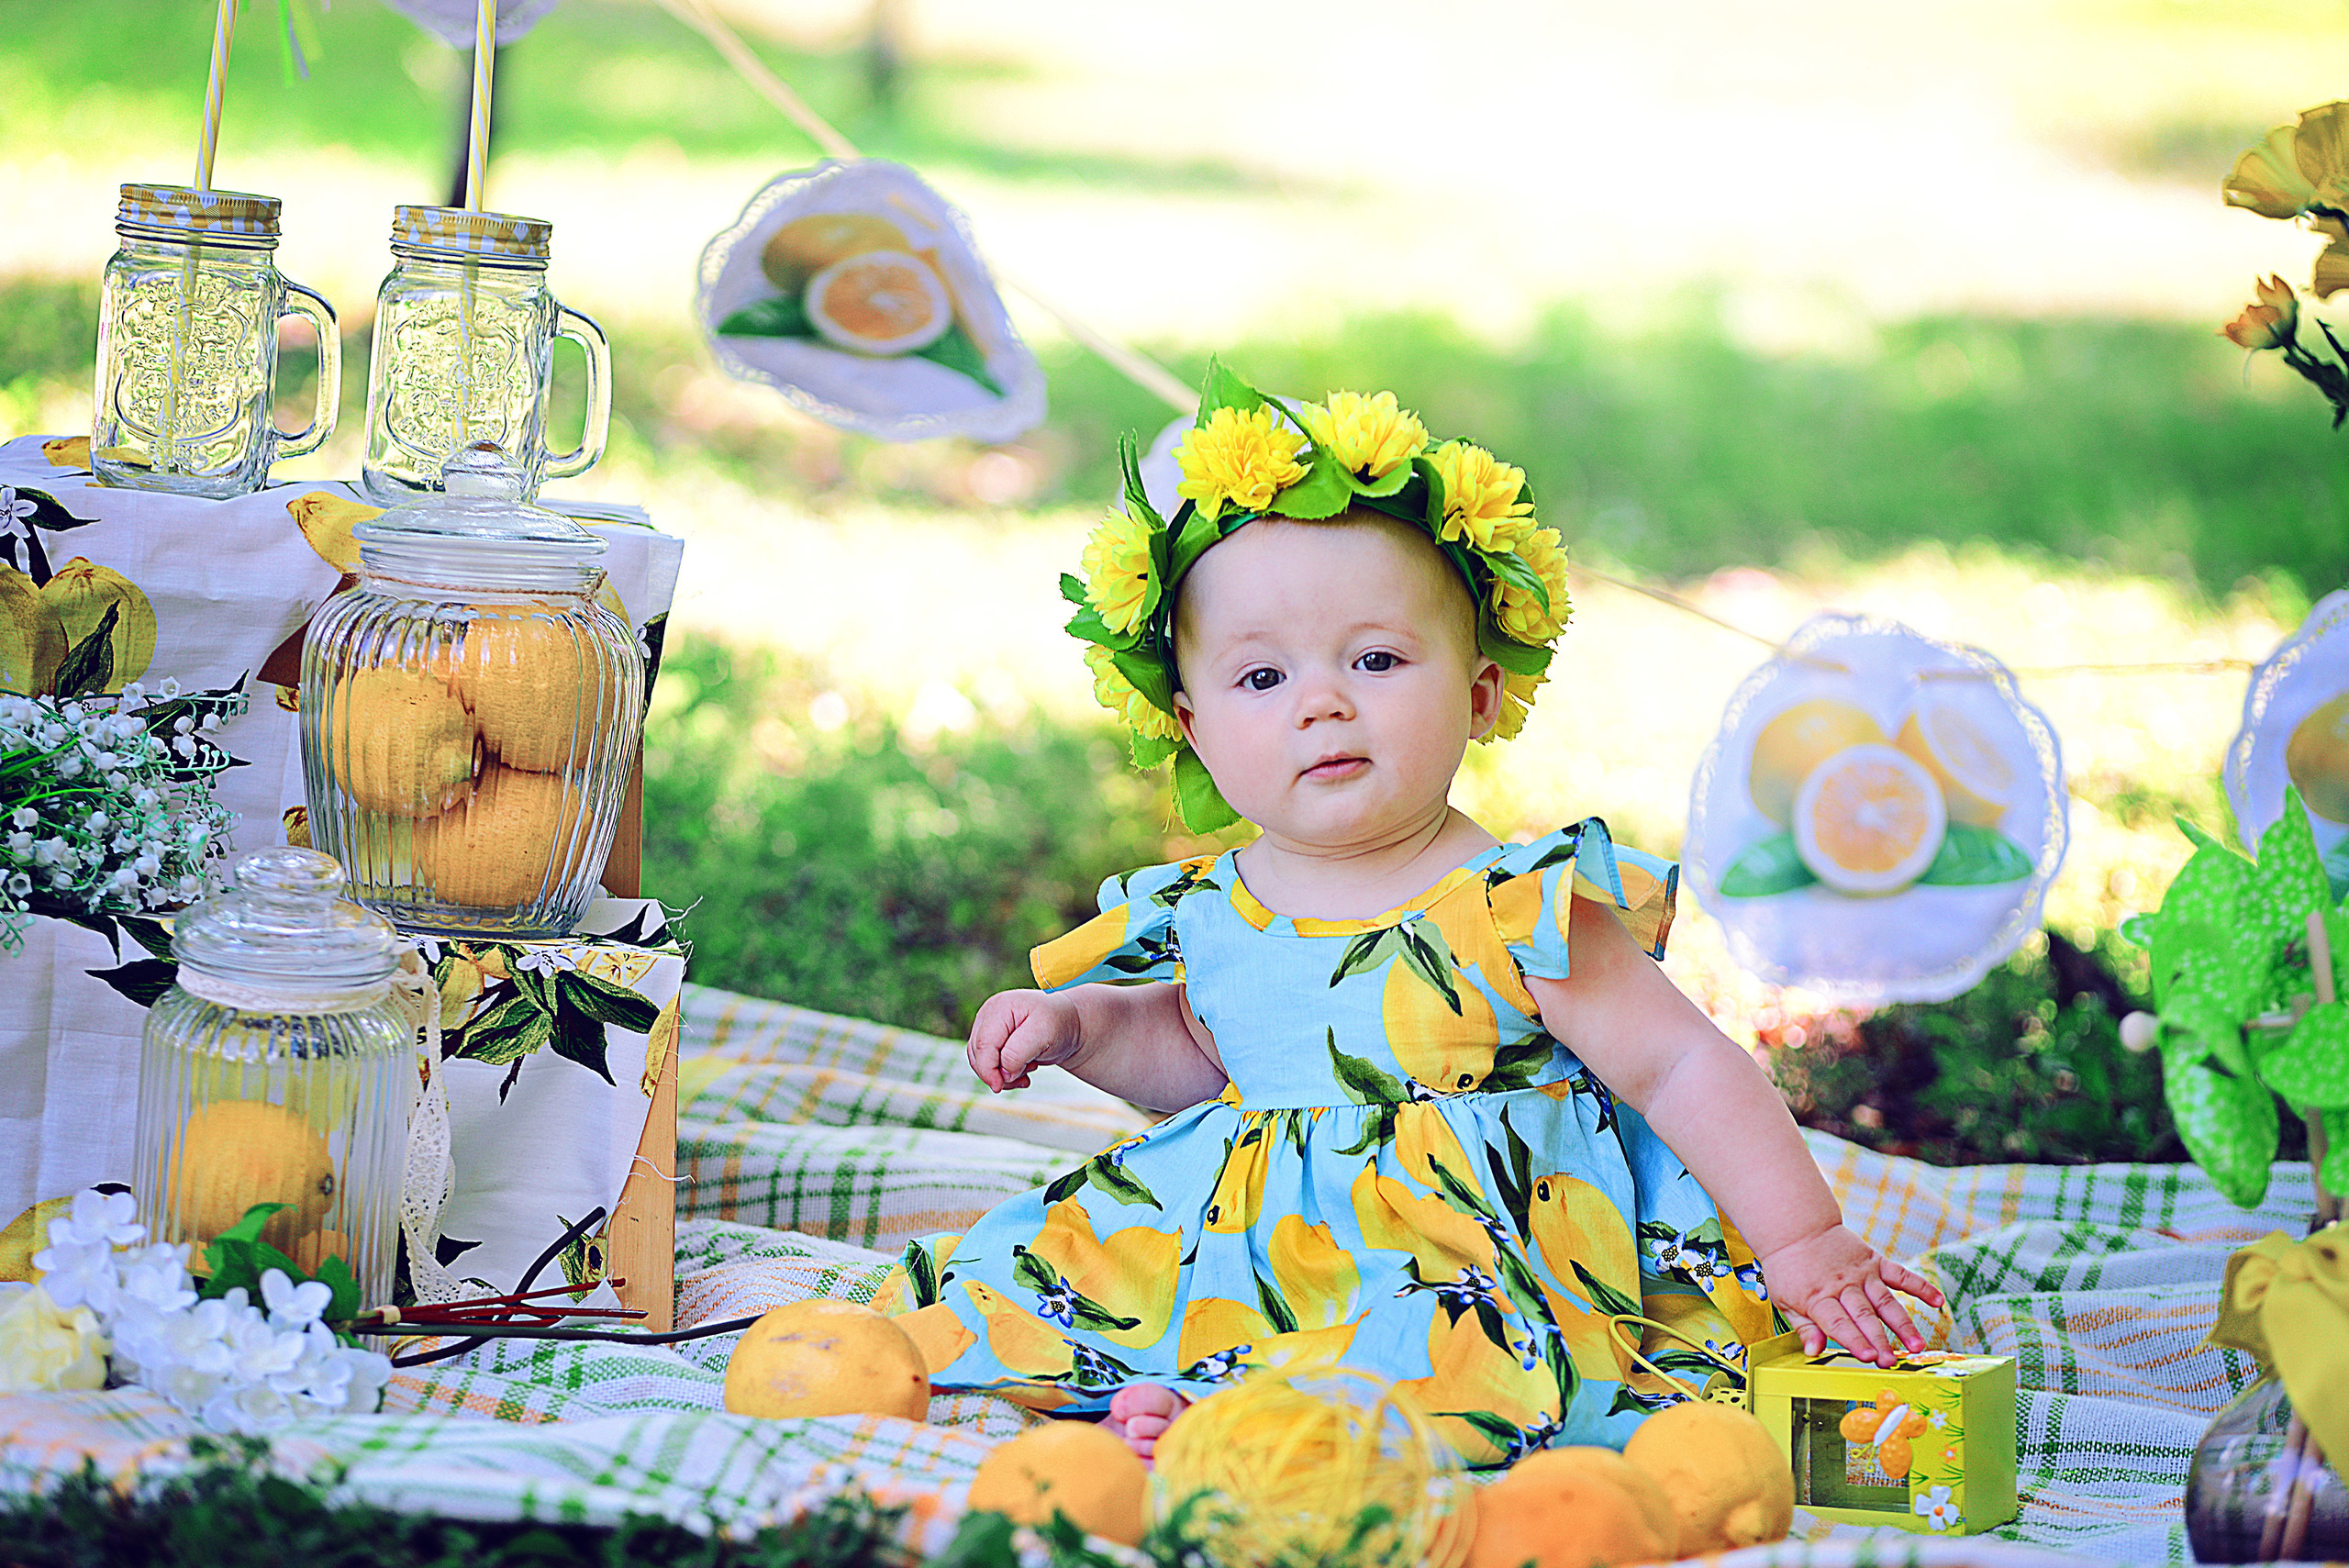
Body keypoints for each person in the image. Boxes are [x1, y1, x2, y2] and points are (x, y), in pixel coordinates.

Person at [869, 366, 1942, 1465]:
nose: (1320, 701)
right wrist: (1084, 1029)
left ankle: (1266, 1419)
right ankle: (1212, 1388)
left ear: (1479, 694)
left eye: (1376, 659)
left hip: (1475, 1257)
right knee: (1055, 1263)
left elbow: (1679, 1067)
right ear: (1189, 728)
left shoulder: (1516, 905)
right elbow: (1203, 1052)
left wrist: (1806, 1244)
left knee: (1445, 1339)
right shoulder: (1212, 908)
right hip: (1266, 1249)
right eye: (1260, 677)